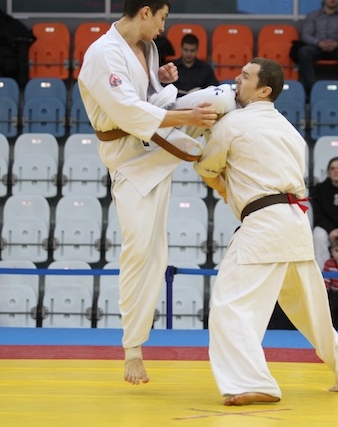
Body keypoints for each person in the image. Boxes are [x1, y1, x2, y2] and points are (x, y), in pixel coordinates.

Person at [194, 57, 338, 406]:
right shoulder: (291, 131)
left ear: (264, 90)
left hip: (263, 224)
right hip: (295, 221)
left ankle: (252, 382)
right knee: (310, 309)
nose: (237, 79)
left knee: (230, 305)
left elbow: (206, 165)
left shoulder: (233, 123)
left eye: (246, 76)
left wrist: (217, 172)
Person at [78, 0, 222, 386]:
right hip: (129, 160)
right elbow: (129, 113)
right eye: (162, 17)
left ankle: (231, 177)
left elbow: (142, 94)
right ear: (145, 11)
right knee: (143, 252)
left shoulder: (147, 47)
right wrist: (188, 117)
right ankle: (133, 349)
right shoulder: (102, 54)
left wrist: (156, 78)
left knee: (219, 100)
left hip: (155, 144)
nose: (163, 26)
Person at [297, 0, 338, 94]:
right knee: (304, 52)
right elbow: (306, 35)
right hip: (317, 47)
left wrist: (337, 43)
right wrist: (318, 43)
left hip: (337, 48)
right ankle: (310, 89)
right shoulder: (313, 16)